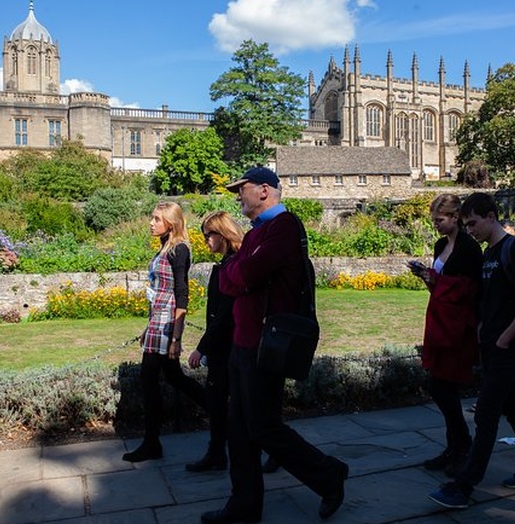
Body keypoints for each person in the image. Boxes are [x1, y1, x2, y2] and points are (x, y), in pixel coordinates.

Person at [201, 167, 348, 524]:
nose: (239, 196)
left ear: (264, 190)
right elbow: (233, 279)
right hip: (243, 342)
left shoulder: (282, 227)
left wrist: (238, 271)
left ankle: (328, 474)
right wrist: (238, 271)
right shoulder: (258, 233)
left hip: (264, 346)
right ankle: (244, 503)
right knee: (240, 430)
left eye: (243, 189)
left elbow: (239, 277)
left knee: (264, 427)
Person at [428, 192, 515, 510]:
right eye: (466, 225)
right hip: (493, 344)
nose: (470, 231)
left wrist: (506, 338)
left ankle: (464, 485)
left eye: (473, 224)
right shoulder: (489, 253)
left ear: (491, 217)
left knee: (486, 413)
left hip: (508, 346)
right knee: (513, 407)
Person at [123, 202, 207, 462]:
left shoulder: (179, 250)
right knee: (174, 377)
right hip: (157, 321)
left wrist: (176, 338)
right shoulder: (165, 246)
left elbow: (182, 294)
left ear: (171, 223)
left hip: (167, 323)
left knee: (150, 380)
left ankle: (152, 443)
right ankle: (223, 413)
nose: (151, 222)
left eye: (157, 219)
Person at [410, 194, 483, 477]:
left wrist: (436, 279)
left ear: (455, 218)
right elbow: (440, 287)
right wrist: (427, 277)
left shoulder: (468, 248)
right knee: (441, 387)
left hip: (458, 326)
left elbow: (469, 290)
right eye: (434, 220)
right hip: (440, 320)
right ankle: (455, 446)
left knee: (443, 387)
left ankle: (462, 446)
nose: (436, 225)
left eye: (439, 220)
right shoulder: (442, 245)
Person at [184, 211, 244, 472]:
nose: (206, 240)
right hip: (226, 345)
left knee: (222, 403)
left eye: (209, 235)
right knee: (222, 402)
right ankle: (217, 452)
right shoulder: (229, 263)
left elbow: (224, 315)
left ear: (223, 234)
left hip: (228, 346)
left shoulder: (232, 265)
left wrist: (202, 347)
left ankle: (219, 454)